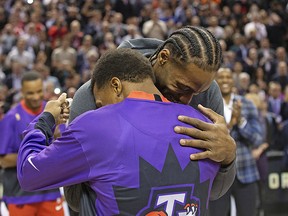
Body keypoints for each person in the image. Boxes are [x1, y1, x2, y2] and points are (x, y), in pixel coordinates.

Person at [18, 48, 221, 215]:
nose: (100, 107)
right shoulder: (205, 125)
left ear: (115, 86)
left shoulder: (95, 125)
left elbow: (29, 175)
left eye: (100, 102)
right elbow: (218, 188)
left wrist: (45, 120)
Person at [66, 26, 237, 213]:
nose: (188, 99)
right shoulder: (98, 92)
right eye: (182, 87)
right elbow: (75, 198)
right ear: (163, 58)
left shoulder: (208, 93)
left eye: (198, 92)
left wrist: (228, 157)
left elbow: (213, 192)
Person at [0, 71, 64, 216]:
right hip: (20, 196)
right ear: (22, 92)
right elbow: (3, 160)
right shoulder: (11, 118)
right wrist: (37, 158)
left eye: (39, 91)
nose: (36, 97)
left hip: (50, 191)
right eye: (30, 93)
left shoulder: (55, 112)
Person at [209, 67, 263, 216]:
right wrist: (230, 125)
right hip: (218, 174)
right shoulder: (208, 104)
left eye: (228, 77)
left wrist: (241, 122)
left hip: (246, 172)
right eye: (221, 77)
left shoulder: (247, 104)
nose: (225, 80)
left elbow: (258, 138)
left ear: (234, 81)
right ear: (215, 81)